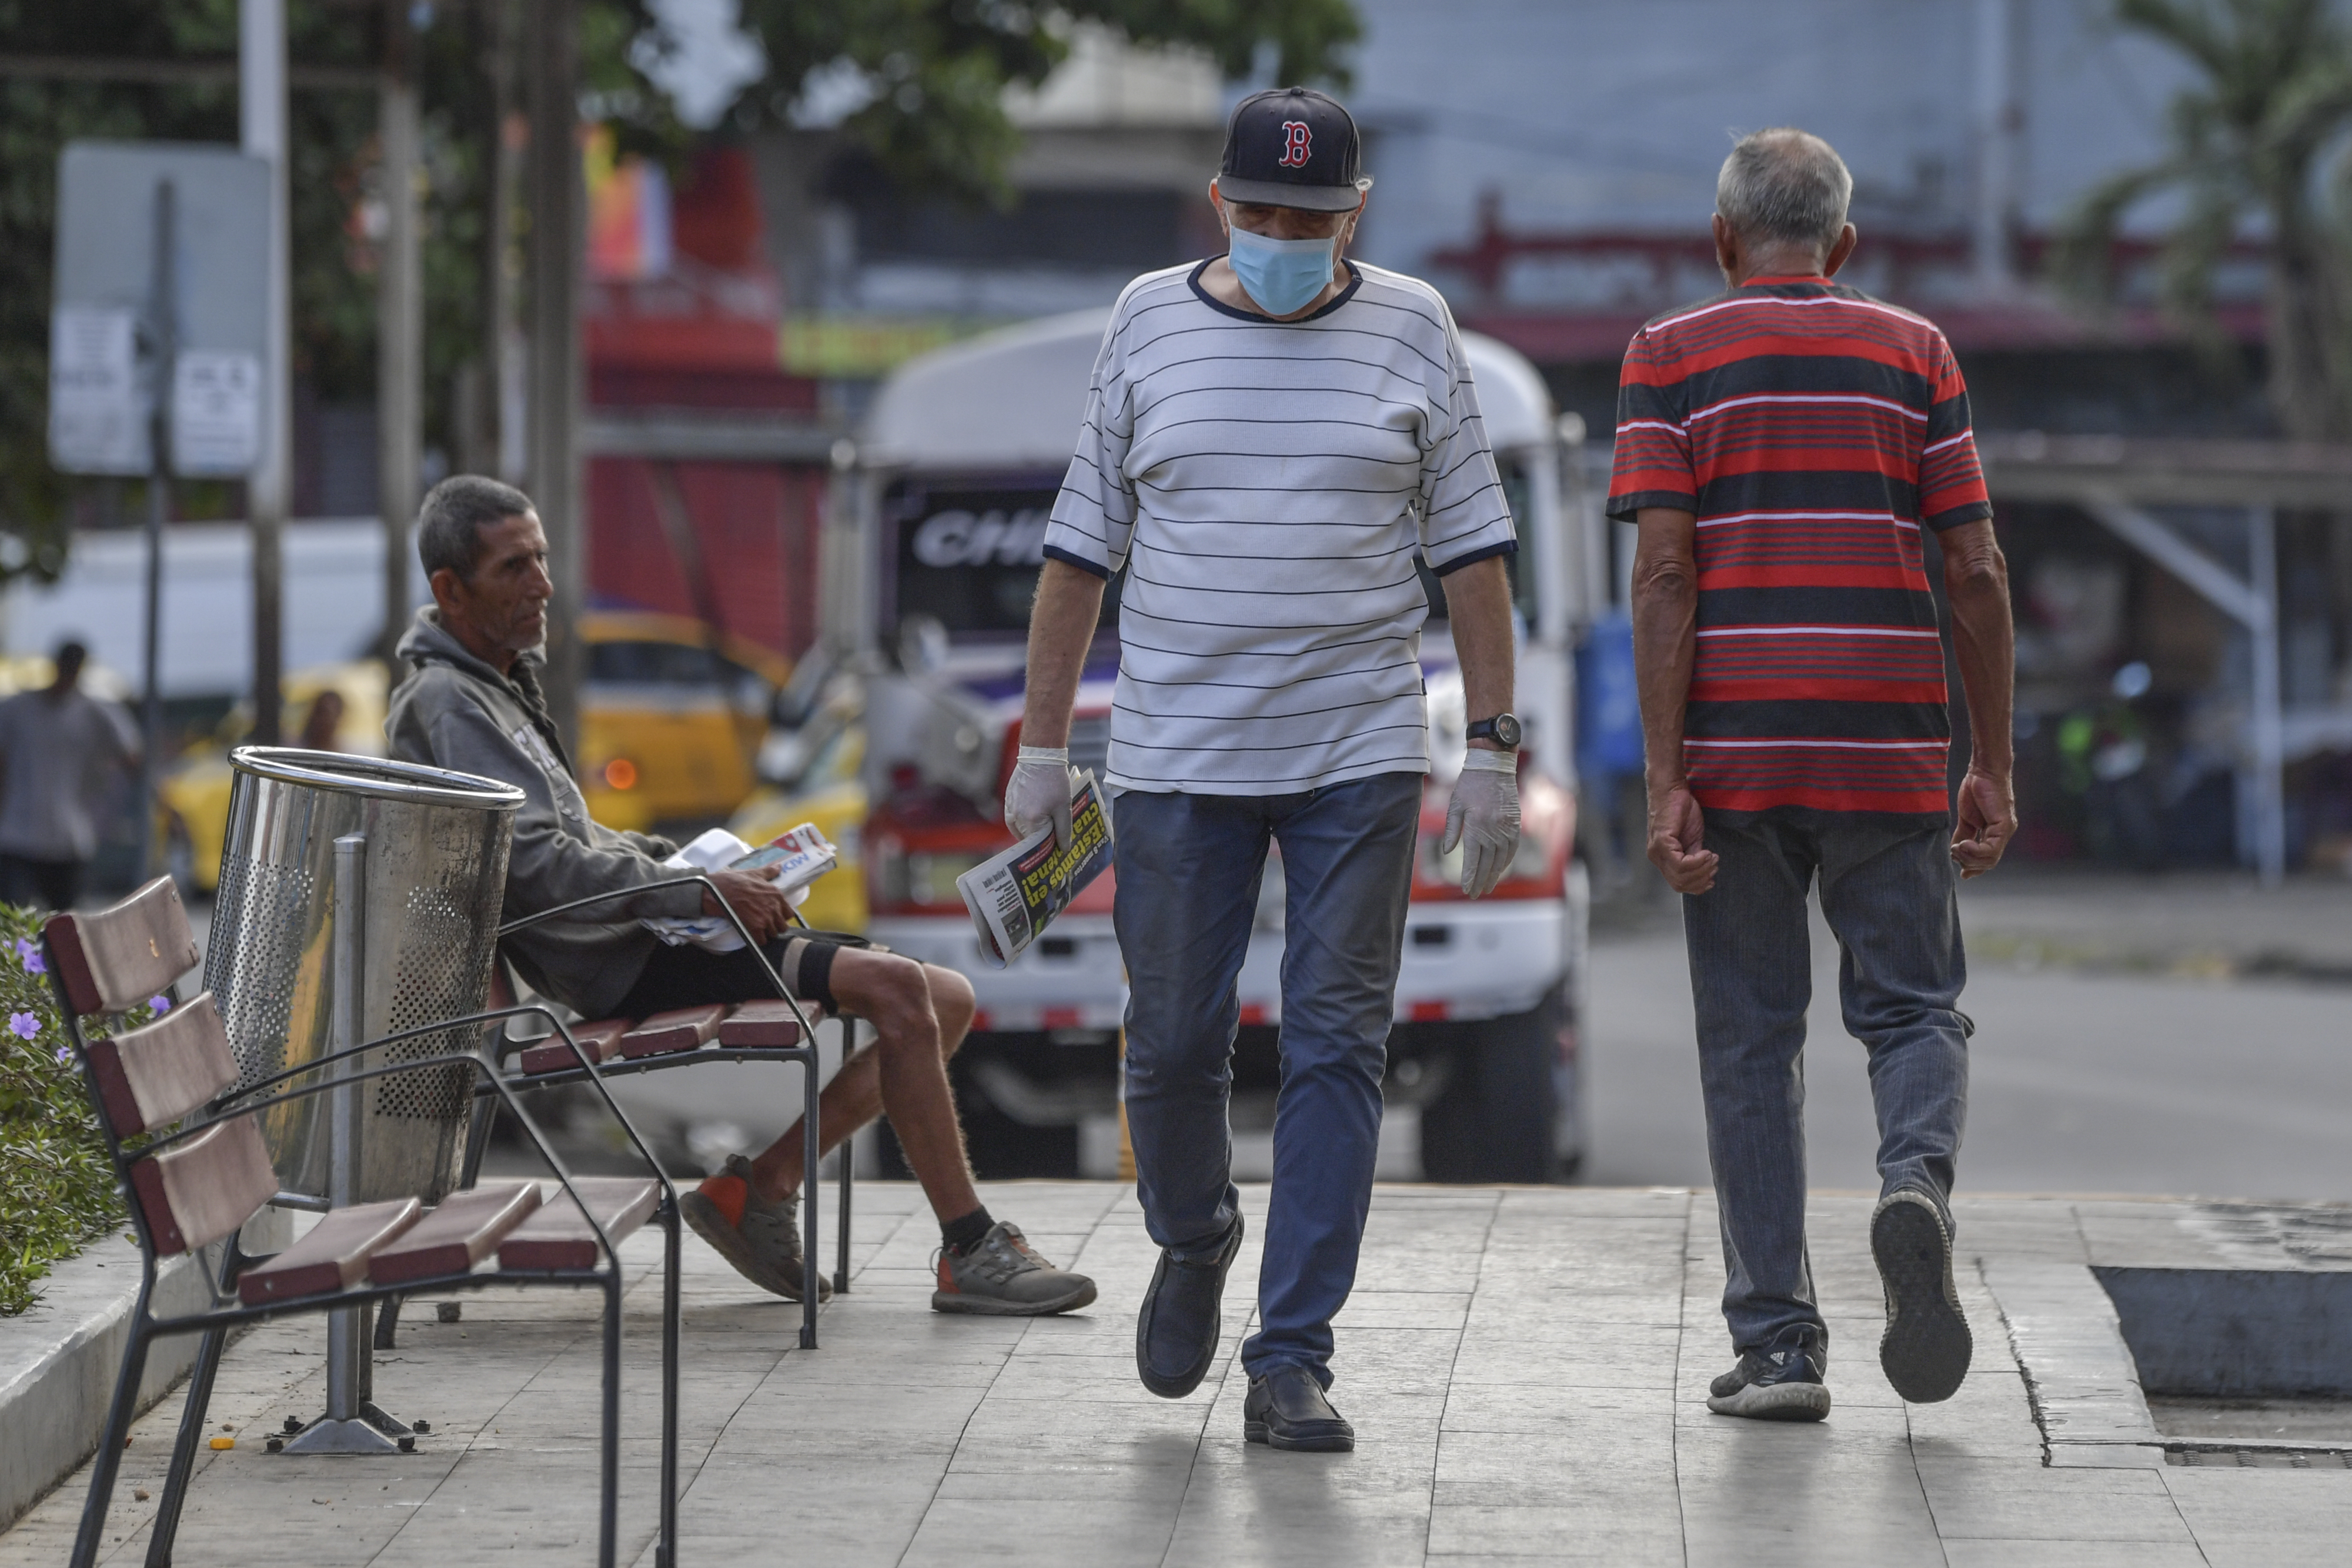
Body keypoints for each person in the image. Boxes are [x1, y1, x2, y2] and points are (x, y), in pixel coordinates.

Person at [1014, 86, 1524, 1452]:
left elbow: (1473, 551)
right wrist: (1040, 750)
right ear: (1218, 208)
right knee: (1173, 1043)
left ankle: (1291, 1354)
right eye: (1263, 215)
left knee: (1337, 1048)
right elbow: (1079, 552)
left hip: (1356, 751)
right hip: (1178, 756)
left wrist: (1489, 747)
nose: (1287, 236)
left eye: (1314, 216)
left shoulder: (1415, 326)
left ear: (1359, 213)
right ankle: (1193, 1236)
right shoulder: (1147, 319)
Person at [387, 474, 1095, 1317]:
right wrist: (695, 889)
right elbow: (536, 866)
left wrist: (701, 862)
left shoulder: (493, 682)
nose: (543, 583)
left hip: (650, 935)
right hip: (627, 962)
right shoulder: (449, 699)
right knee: (904, 991)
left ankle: (761, 1188)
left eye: (542, 558)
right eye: (515, 567)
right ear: (449, 589)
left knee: (946, 997)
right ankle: (970, 1247)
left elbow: (569, 840)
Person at [1610, 129, 2017, 1420]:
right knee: (1910, 1009)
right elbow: (1975, 570)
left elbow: (1664, 573)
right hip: (1885, 743)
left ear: (1723, 241)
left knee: (1748, 1040)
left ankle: (1779, 1346)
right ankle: (1910, 1183)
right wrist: (1991, 761)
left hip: (1734, 751)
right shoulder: (1916, 353)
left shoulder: (1665, 358)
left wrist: (1663, 774)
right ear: (1841, 247)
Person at [0, 639, 139, 911]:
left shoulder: (94, 711)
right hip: (18, 832)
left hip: (69, 834)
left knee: (62, 924)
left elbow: (132, 758)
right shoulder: (17, 709)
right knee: (14, 921)